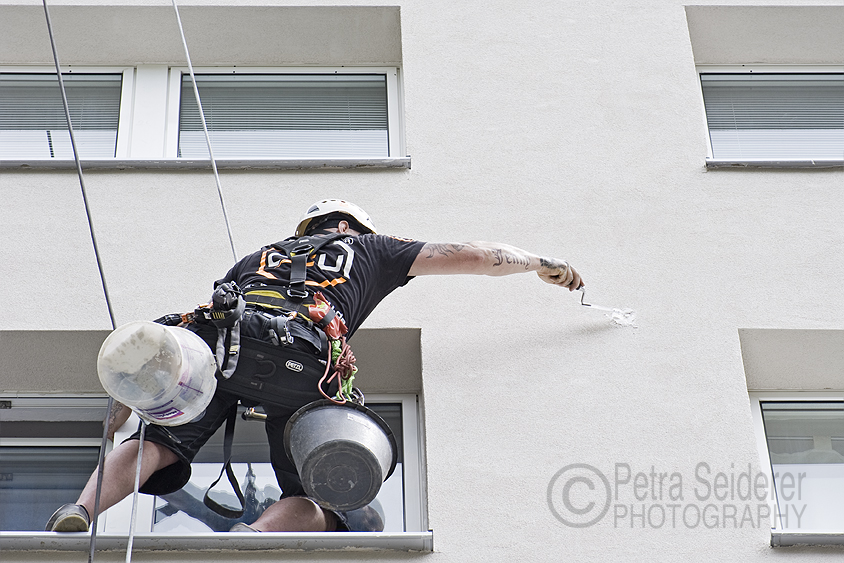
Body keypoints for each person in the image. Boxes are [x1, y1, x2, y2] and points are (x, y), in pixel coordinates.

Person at [46, 199, 583, 533]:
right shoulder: (371, 248)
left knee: (154, 444)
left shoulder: (258, 257)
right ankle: (254, 538)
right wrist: (542, 263)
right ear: (353, 226)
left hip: (227, 344)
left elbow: (186, 336)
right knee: (313, 494)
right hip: (308, 359)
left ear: (307, 227)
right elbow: (472, 254)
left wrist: (123, 407)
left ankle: (83, 510)